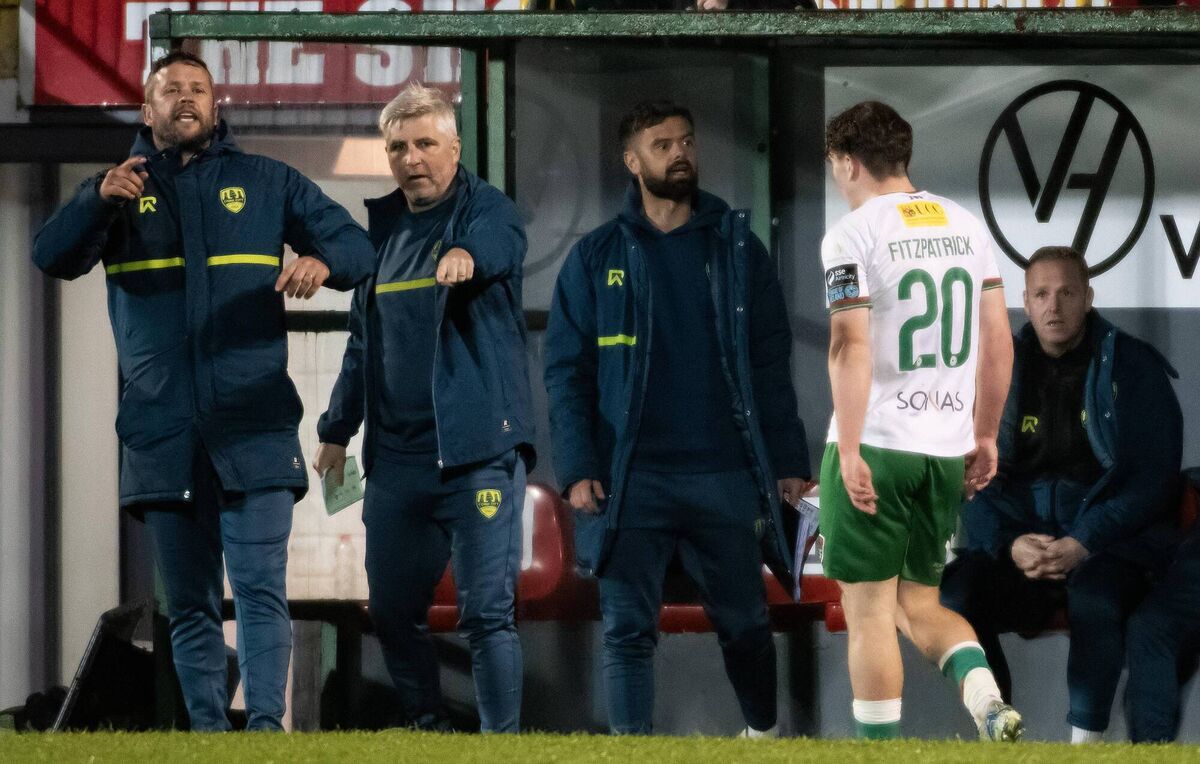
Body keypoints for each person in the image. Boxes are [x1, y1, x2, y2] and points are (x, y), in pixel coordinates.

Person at [32, 51, 376, 731]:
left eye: (199, 90)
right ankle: (209, 737)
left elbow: (359, 250)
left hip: (254, 427)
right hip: (163, 434)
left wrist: (321, 260)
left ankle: (264, 732)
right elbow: (51, 256)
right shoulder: (116, 191)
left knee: (258, 590)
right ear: (146, 110)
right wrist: (94, 200)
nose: (186, 99)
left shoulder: (267, 181)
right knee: (188, 604)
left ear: (216, 107)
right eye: (171, 90)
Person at [544, 100, 812, 737]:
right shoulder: (594, 256)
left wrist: (791, 465)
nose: (680, 153)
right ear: (633, 163)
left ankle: (763, 737)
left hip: (724, 475)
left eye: (687, 141)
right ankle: (631, 752)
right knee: (627, 632)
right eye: (662, 145)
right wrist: (579, 467)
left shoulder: (739, 249)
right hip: (629, 479)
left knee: (746, 625)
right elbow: (566, 372)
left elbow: (772, 366)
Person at [313, 83, 534, 733]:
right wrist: (334, 430)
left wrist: (467, 256)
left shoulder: (486, 211)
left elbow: (501, 245)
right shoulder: (380, 235)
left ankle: (501, 746)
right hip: (397, 461)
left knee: (487, 613)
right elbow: (362, 343)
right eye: (398, 147)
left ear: (454, 147)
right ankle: (427, 728)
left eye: (425, 144)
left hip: (477, 454)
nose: (412, 158)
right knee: (389, 609)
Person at [819, 101, 1020, 741]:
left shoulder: (852, 232)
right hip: (942, 450)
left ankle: (876, 754)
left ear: (847, 162)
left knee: (869, 611)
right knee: (922, 606)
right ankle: (988, 701)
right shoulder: (964, 225)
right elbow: (997, 342)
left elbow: (848, 345)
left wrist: (849, 450)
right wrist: (984, 434)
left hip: (878, 440)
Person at [940, 245, 1183, 743]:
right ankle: (996, 731)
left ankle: (1085, 747)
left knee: (1094, 597)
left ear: (1089, 297)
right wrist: (1009, 544)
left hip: (1104, 549)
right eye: (1042, 294)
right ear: (1025, 303)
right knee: (957, 593)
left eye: (1068, 292)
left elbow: (1153, 478)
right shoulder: (995, 372)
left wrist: (1084, 541)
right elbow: (970, 476)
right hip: (1021, 548)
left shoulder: (1131, 366)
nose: (1055, 306)